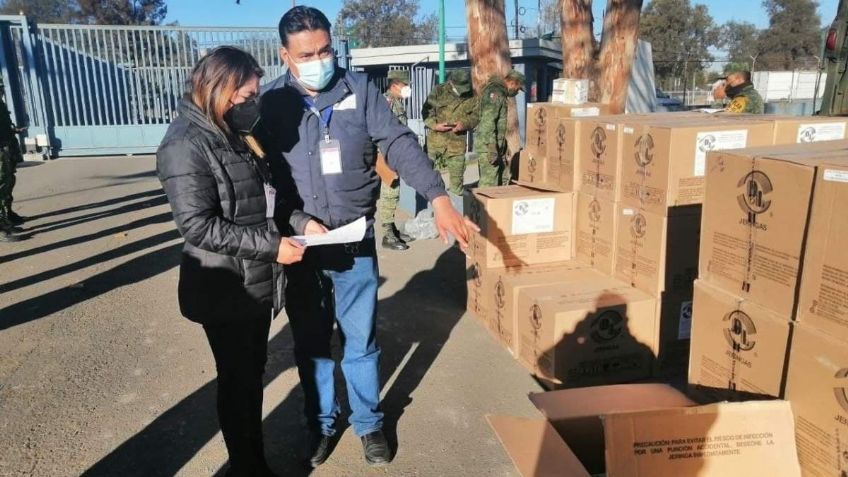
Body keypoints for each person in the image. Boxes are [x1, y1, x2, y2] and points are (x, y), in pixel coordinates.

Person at [260, 6, 477, 468]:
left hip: (353, 242)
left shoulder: (358, 90)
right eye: (306, 53)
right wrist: (296, 223)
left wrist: (437, 197)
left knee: (360, 342)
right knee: (312, 344)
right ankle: (320, 424)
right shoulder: (270, 103)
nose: (319, 59)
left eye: (325, 49)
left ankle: (369, 423)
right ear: (285, 55)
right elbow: (262, 179)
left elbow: (398, 142)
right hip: (301, 246)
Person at [156, 46, 314, 477]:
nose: (252, 105)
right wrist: (272, 247)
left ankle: (251, 462)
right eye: (245, 97)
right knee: (240, 384)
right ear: (217, 89)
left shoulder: (233, 131)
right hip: (226, 287)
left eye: (254, 96)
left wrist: (300, 221)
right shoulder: (185, 145)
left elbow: (265, 198)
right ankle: (248, 468)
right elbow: (198, 226)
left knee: (249, 375)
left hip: (255, 280)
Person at [421, 69, 479, 196]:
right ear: (451, 82)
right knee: (425, 173)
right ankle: (428, 201)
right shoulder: (438, 91)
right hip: (435, 141)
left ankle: (455, 206)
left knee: (457, 180)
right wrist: (435, 125)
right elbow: (426, 111)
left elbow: (476, 116)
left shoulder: (473, 95)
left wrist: (464, 124)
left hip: (457, 143)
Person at [377, 70, 415, 251]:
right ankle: (387, 235)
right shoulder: (387, 102)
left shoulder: (396, 102)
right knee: (389, 193)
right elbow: (381, 130)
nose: (408, 88)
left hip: (394, 153)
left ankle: (391, 228)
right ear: (394, 85)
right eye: (405, 85)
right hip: (386, 155)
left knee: (393, 192)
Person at [474, 69, 524, 187]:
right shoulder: (495, 93)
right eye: (518, 89)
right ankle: (484, 206)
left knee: (501, 180)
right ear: (512, 83)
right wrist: (492, 147)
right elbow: (488, 121)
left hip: (495, 146)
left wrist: (503, 145)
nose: (517, 92)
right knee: (489, 185)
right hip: (488, 146)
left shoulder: (499, 92)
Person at [0, 79, 26, 242]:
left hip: (6, 148)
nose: (2, 90)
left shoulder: (1, 104)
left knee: (8, 181)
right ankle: (3, 228)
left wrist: (12, 130)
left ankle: (7, 215)